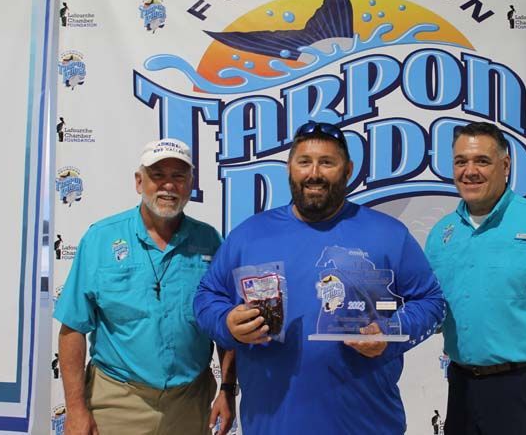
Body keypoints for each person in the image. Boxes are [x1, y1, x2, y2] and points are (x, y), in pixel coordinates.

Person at [194, 121, 445, 435]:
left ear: (348, 170)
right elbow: (206, 298)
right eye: (304, 162)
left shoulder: (389, 234)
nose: (314, 173)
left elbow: (432, 303)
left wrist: (392, 332)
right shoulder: (249, 235)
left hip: (366, 425)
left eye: (327, 162)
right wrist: (226, 323)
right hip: (273, 425)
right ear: (290, 168)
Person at [54, 139, 236, 435]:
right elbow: (72, 327)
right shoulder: (100, 239)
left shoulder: (210, 241)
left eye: (178, 176)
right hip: (117, 401)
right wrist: (75, 410)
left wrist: (227, 390)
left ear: (190, 185)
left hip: (191, 402)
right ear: (139, 182)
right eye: (157, 175)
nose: (169, 186)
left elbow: (224, 325)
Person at [424, 122, 526, 435]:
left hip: (525, 389)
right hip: (461, 389)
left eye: (482, 161)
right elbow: (428, 312)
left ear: (506, 165)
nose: (470, 171)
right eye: (461, 161)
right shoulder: (441, 235)